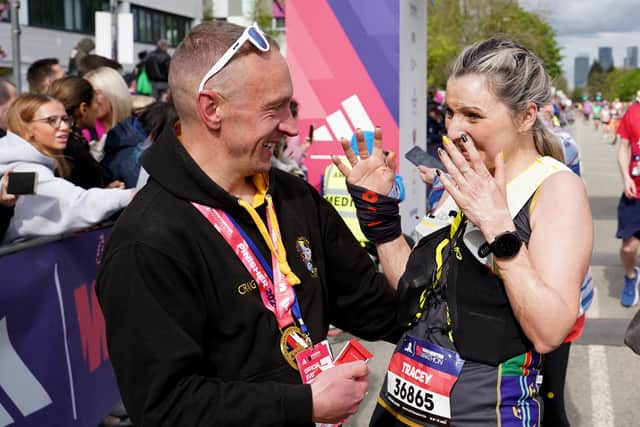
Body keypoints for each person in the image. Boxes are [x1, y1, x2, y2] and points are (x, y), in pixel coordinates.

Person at [95, 21, 400, 426]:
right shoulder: (148, 239)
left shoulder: (293, 196)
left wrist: (383, 224)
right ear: (212, 109)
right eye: (275, 109)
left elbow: (381, 311)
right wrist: (302, 404)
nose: (292, 126)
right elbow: (164, 407)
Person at [333, 38, 593, 426]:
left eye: (473, 115)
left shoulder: (555, 189)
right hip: (402, 400)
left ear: (526, 116)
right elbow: (415, 286)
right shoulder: (465, 176)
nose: (454, 129)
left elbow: (549, 331)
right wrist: (382, 221)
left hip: (484, 412)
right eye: (451, 112)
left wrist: (499, 230)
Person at [0, 94, 134, 243]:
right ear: (27, 127)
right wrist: (130, 195)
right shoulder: (26, 169)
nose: (64, 127)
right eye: (51, 121)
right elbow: (77, 203)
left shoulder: (22, 160)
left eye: (65, 119)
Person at [47, 76, 110, 189]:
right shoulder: (72, 149)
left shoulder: (46, 140)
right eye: (96, 102)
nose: (97, 108)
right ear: (84, 109)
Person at [615, 90, 640, 307]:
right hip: (635, 193)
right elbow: (623, 148)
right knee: (629, 248)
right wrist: (625, 178)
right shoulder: (632, 113)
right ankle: (631, 277)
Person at [83, 67, 133, 161]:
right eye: (86, 95)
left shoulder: (139, 126)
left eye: (96, 93)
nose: (91, 100)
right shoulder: (86, 132)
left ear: (113, 93)